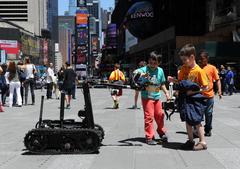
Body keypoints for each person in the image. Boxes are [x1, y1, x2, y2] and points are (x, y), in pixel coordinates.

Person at [168, 44, 209, 151]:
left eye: (185, 59)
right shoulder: (183, 69)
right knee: (187, 119)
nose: (183, 62)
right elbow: (181, 82)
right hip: (185, 99)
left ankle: (203, 142)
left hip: (195, 99)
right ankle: (190, 141)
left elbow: (206, 87)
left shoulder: (199, 71)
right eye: (182, 60)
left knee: (197, 120)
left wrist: (193, 91)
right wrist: (174, 81)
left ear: (192, 57)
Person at [134, 51, 170, 145]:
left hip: (157, 97)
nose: (153, 65)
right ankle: (149, 137)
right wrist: (140, 74)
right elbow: (136, 72)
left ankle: (161, 132)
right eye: (151, 62)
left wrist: (166, 93)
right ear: (148, 60)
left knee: (160, 115)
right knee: (149, 117)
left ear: (159, 63)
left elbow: (162, 83)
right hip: (147, 97)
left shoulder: (160, 71)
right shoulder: (144, 69)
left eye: (155, 63)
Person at [199, 50, 222, 137]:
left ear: (207, 59)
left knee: (208, 113)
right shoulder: (197, 68)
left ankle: (208, 129)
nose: (201, 60)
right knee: (199, 114)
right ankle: (198, 130)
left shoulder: (212, 68)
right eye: (200, 59)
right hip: (199, 95)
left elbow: (217, 80)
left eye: (203, 59)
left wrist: (219, 90)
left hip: (209, 95)